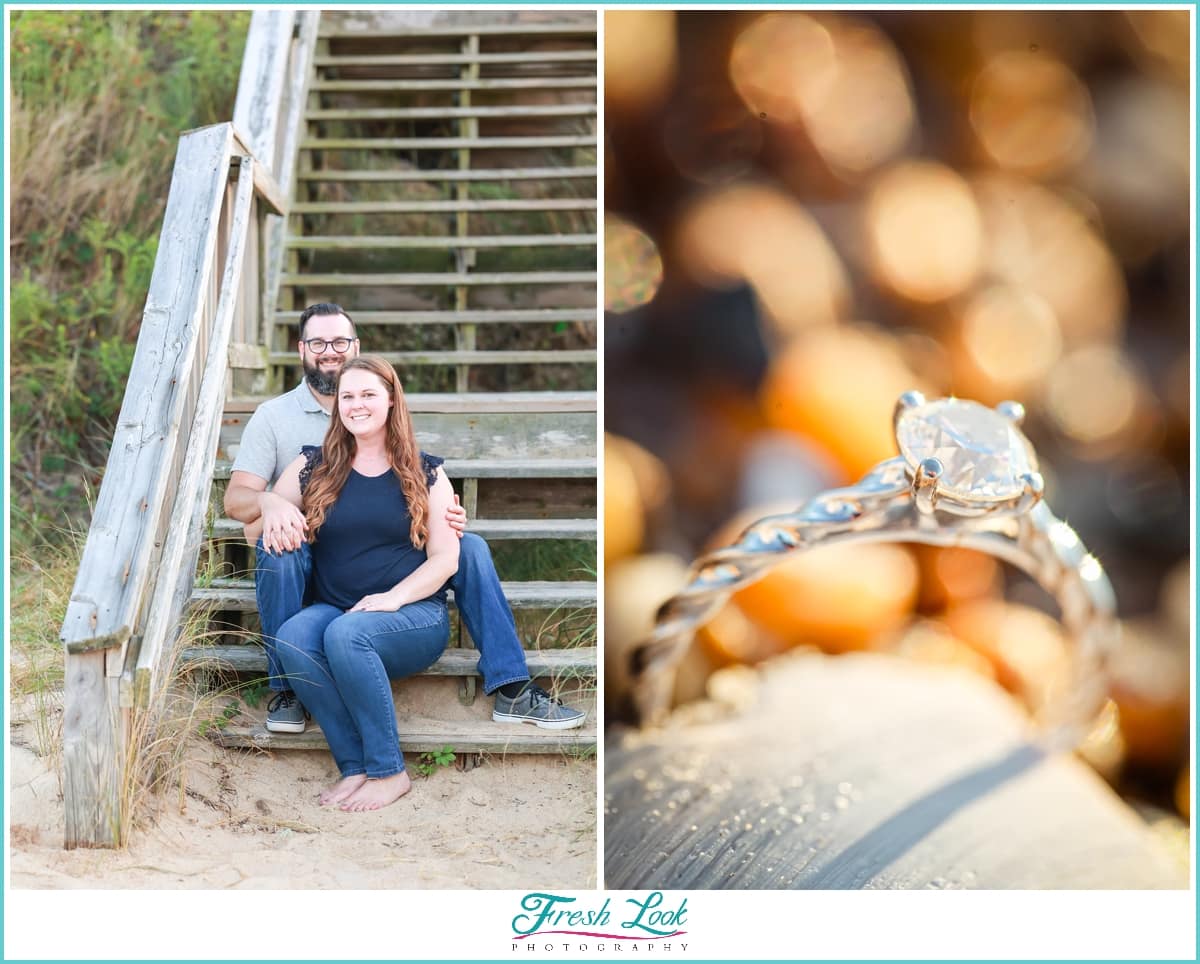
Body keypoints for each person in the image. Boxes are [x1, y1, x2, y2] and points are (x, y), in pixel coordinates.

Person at [224, 303, 585, 733]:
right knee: (276, 547)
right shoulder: (275, 418)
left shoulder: (375, 407)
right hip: (314, 546)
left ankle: (511, 687)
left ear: (356, 348)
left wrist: (434, 509)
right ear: (301, 349)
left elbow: (409, 481)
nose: (329, 351)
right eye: (318, 342)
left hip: (385, 544)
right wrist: (272, 504)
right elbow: (240, 507)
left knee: (466, 547)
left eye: (340, 342)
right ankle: (290, 689)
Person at [269, 355, 457, 810]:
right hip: (337, 608)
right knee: (292, 636)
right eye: (347, 396)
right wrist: (271, 503)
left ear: (391, 401)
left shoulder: (424, 472)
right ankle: (355, 767)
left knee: (347, 634)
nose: (357, 404)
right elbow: (263, 513)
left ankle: (389, 771)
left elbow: (447, 558)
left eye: (368, 394)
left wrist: (394, 599)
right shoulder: (314, 466)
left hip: (411, 615)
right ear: (337, 406)